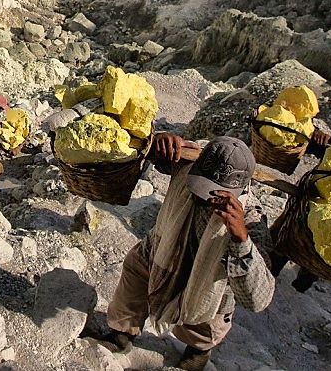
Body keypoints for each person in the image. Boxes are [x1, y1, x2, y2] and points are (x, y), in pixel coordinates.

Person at [93, 134, 275, 371]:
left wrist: (240, 237)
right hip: (161, 251)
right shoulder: (187, 168)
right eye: (201, 185)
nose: (201, 196)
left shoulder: (251, 221)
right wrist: (160, 141)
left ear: (238, 190)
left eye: (213, 193)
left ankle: (198, 351)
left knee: (206, 319)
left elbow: (257, 300)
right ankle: (122, 334)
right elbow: (156, 154)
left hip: (209, 281)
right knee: (134, 278)